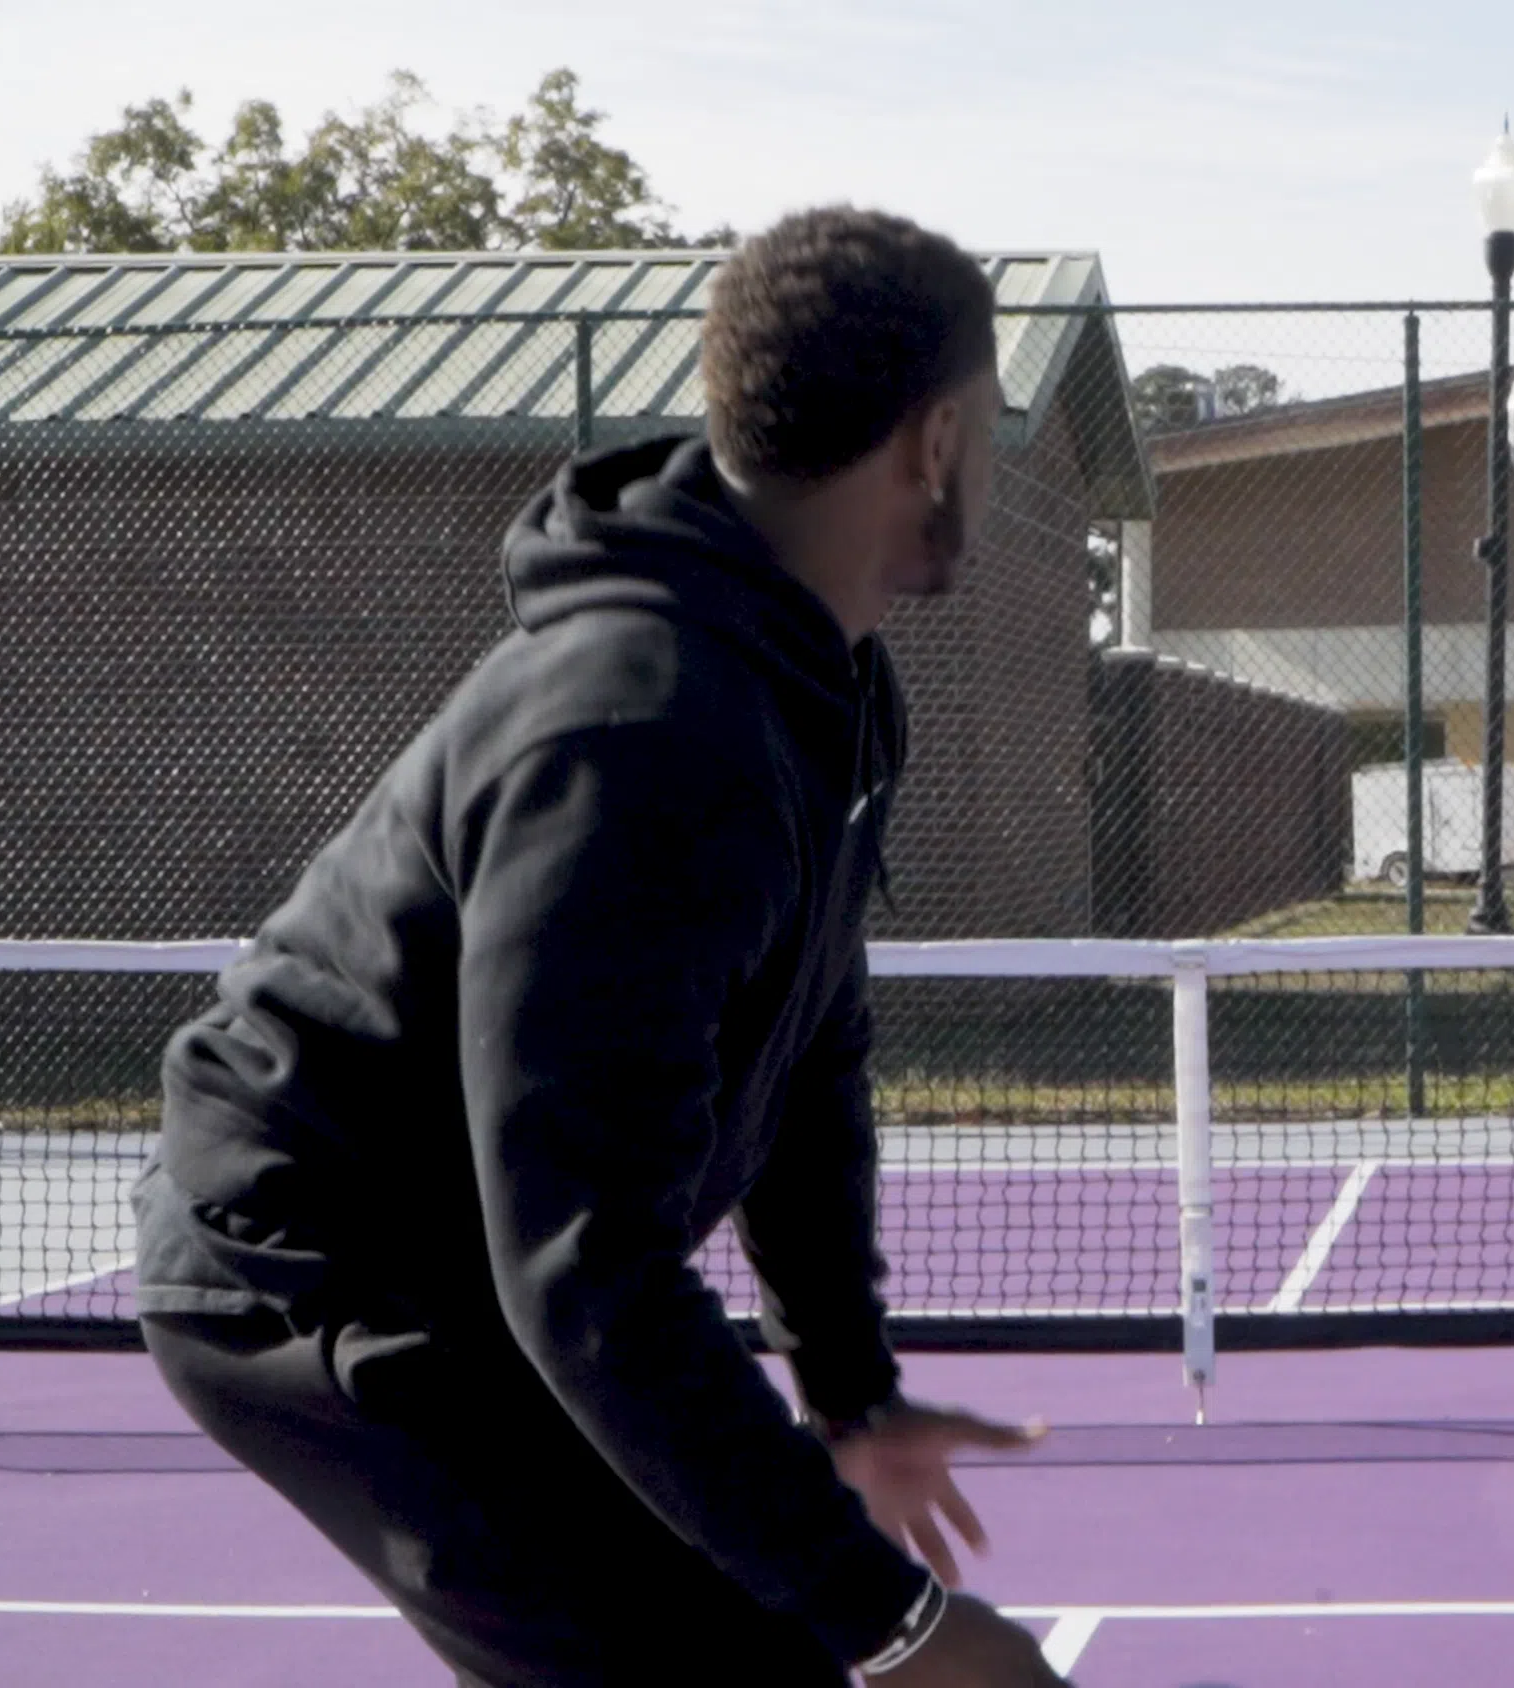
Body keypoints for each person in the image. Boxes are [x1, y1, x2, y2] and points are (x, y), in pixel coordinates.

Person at [132, 209, 1066, 1688]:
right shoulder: (645, 733)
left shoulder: (828, 687)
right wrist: (897, 1628)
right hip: (324, 1269)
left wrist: (849, 1389)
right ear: (938, 440)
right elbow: (583, 1265)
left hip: (488, 1260)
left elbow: (811, 1042)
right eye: (995, 430)